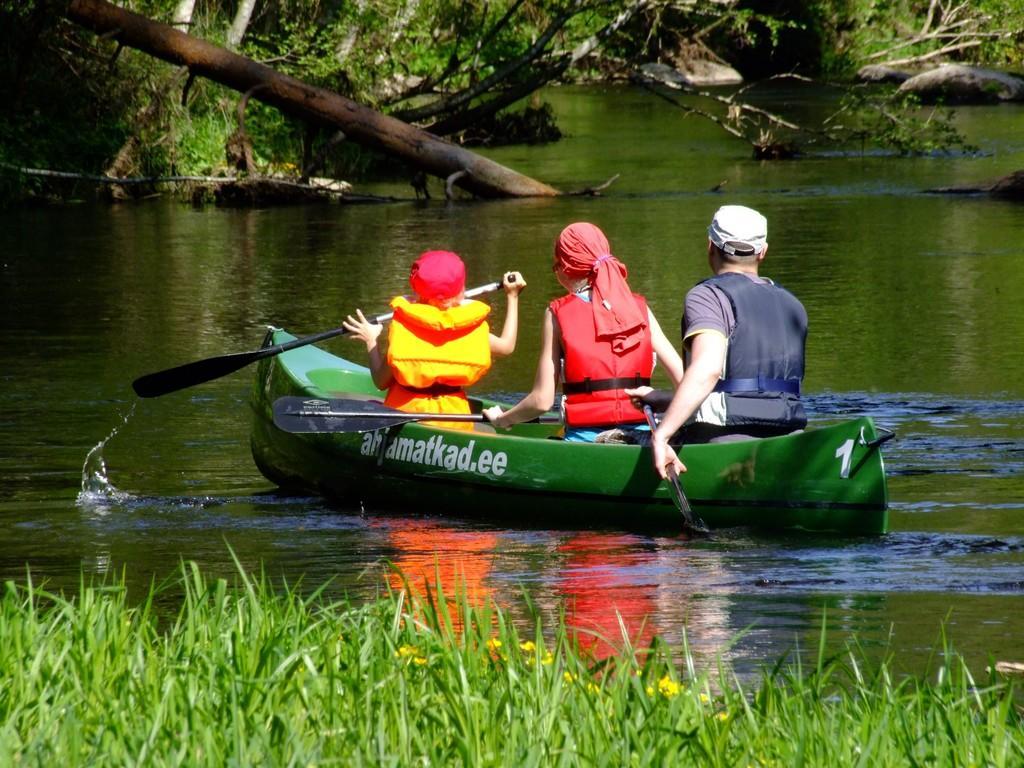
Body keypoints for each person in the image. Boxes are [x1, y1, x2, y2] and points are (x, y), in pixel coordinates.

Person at [633, 204, 807, 479]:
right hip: (789, 439)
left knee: (633, 442)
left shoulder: (707, 297)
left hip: (723, 442)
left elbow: (708, 369)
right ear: (763, 252)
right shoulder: (793, 304)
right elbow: (757, 390)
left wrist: (662, 435)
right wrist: (666, 399)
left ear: (710, 246)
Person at [483, 222, 683, 442]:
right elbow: (685, 382)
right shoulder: (640, 308)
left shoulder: (556, 313)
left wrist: (503, 420)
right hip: (644, 438)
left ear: (567, 268)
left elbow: (542, 401)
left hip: (584, 441)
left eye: (556, 266)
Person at [342, 249, 526, 431]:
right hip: (455, 420)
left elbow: (380, 381)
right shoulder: (470, 328)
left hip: (404, 419)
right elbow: (506, 346)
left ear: (417, 291)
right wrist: (512, 296)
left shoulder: (405, 328)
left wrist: (371, 340)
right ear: (461, 291)